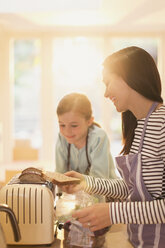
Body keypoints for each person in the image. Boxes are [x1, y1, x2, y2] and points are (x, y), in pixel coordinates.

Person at [60, 46, 165, 248]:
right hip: (138, 243)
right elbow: (130, 188)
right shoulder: (138, 126)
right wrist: (85, 182)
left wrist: (112, 213)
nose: (107, 92)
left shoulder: (162, 124)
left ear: (130, 77)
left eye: (108, 83)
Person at [55, 92, 117, 201]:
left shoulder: (99, 138)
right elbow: (60, 175)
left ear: (89, 121)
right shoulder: (62, 138)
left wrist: (95, 210)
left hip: (107, 197)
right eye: (62, 125)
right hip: (79, 198)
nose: (67, 131)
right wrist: (58, 202)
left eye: (74, 125)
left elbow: (100, 181)